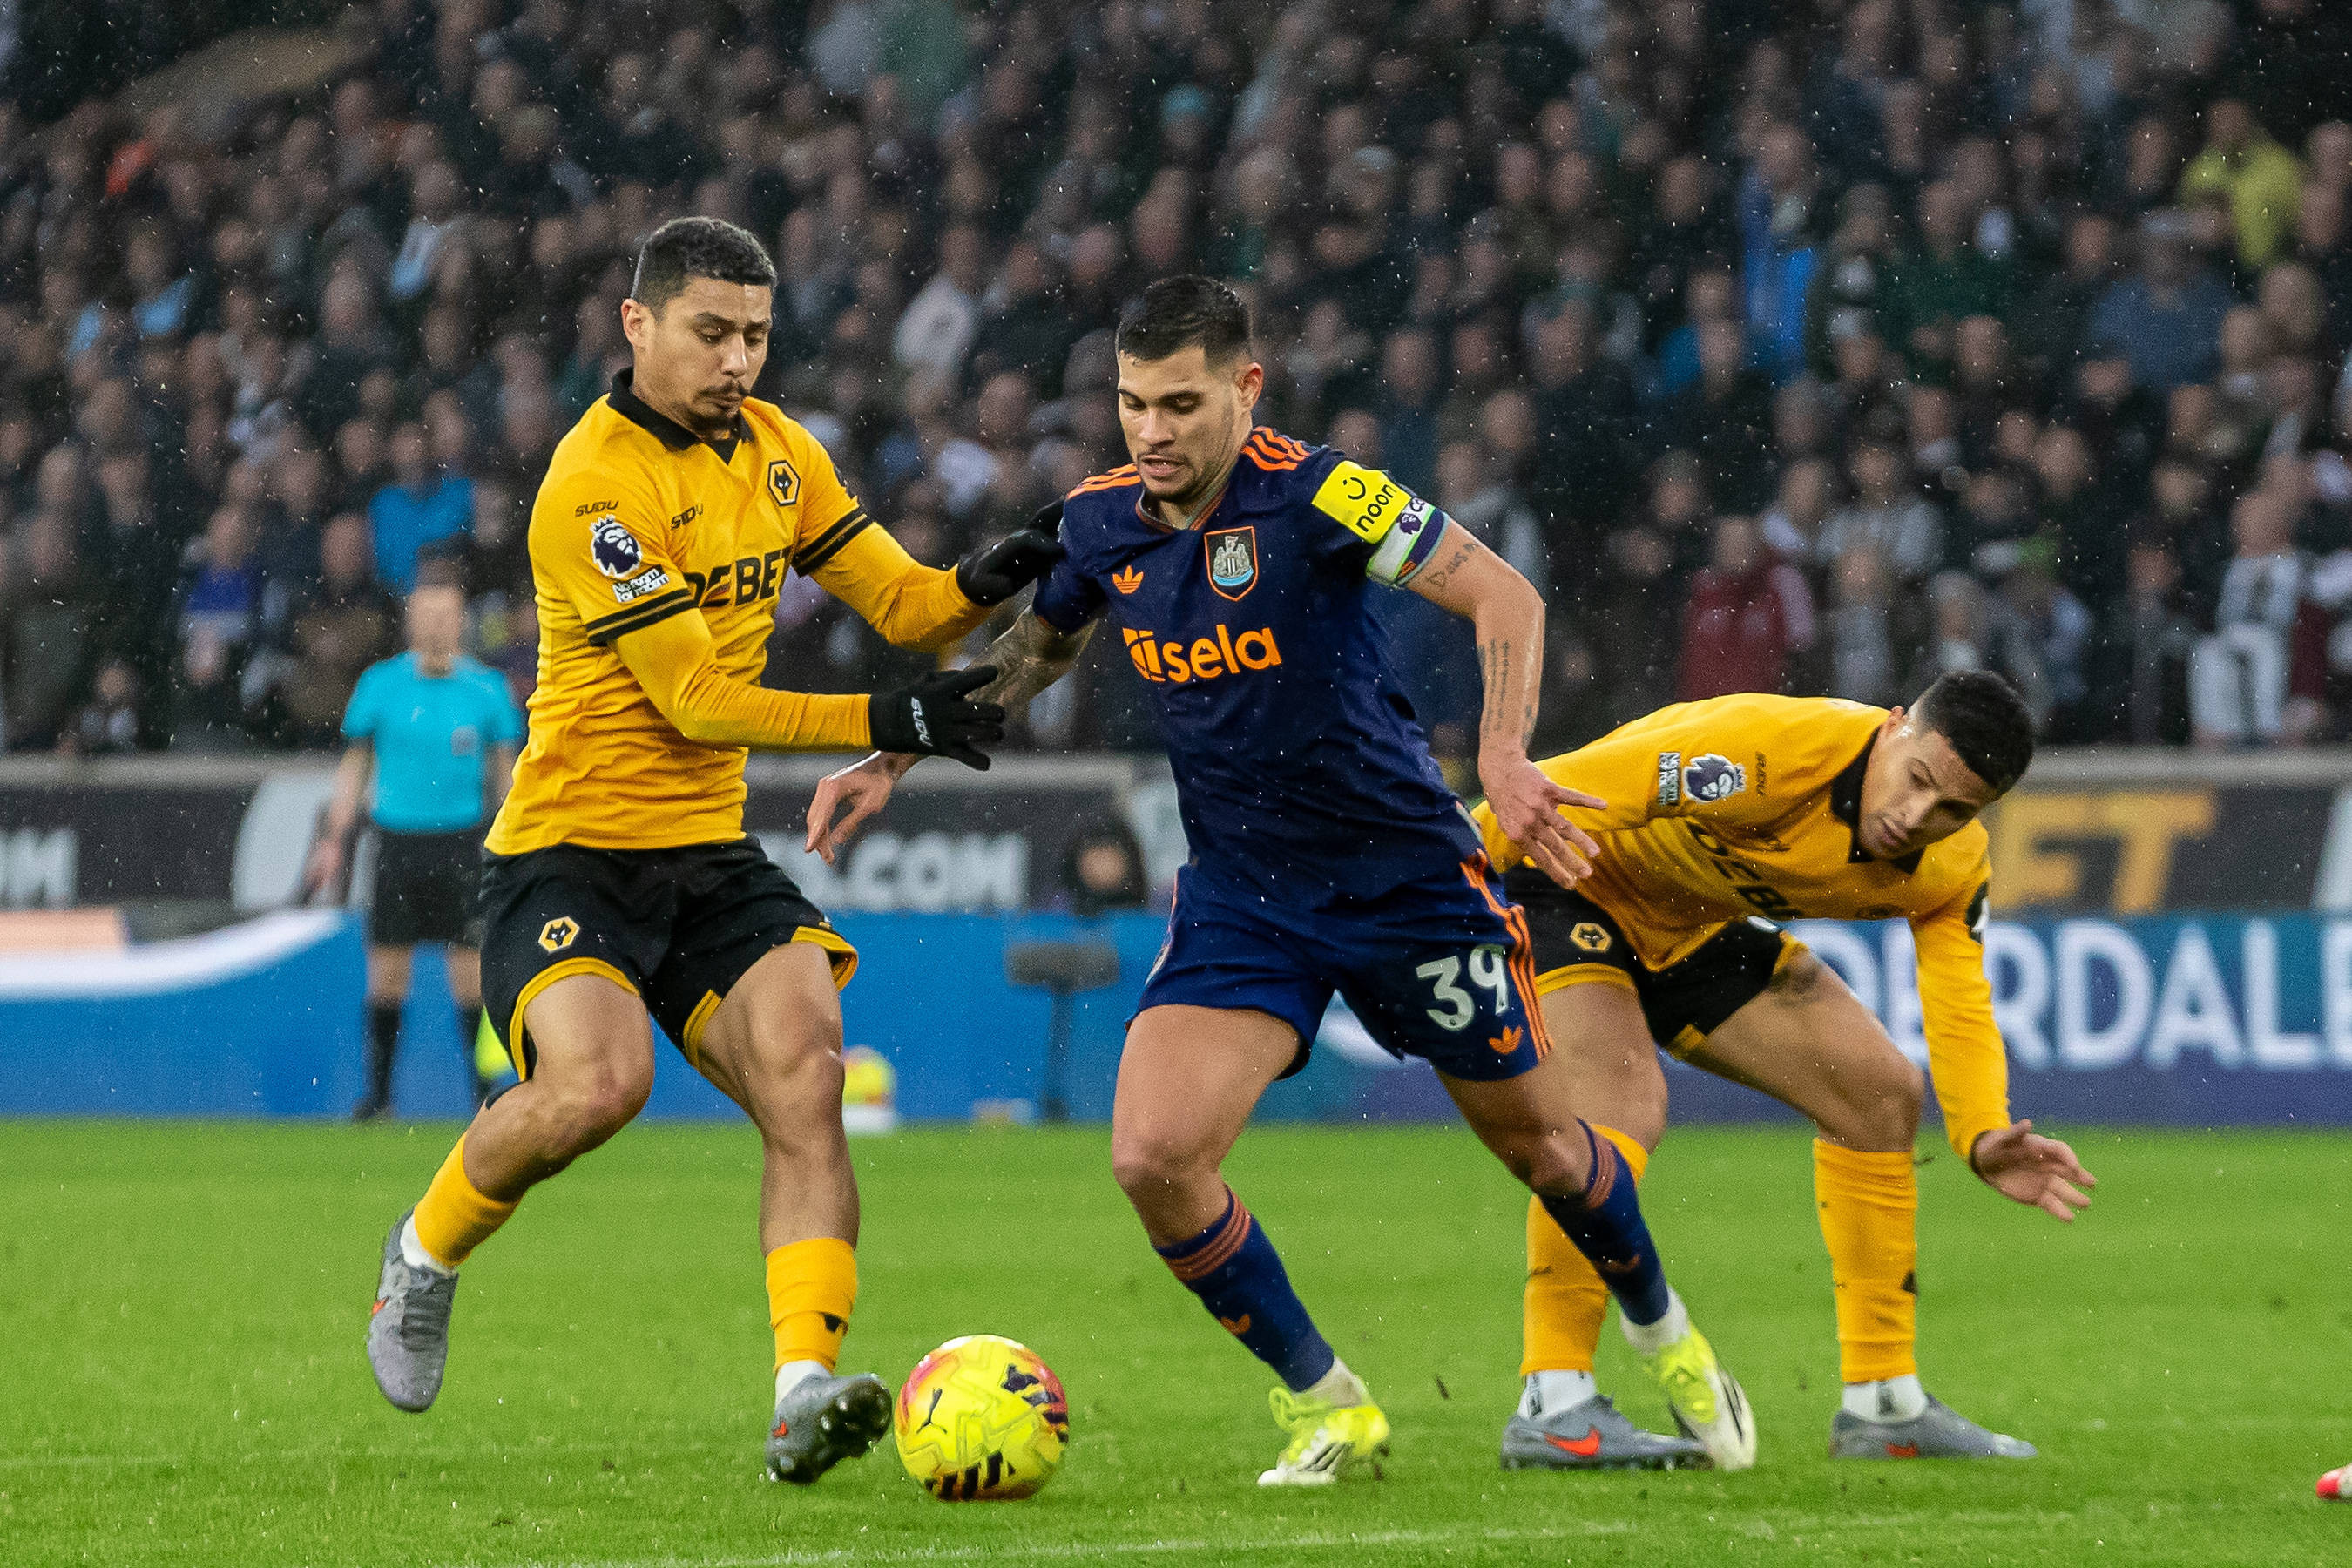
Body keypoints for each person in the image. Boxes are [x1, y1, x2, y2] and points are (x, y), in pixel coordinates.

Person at [808, 277, 1753, 1484]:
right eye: (1132, 403)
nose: (1152, 430)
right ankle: (1329, 1402)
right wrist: (895, 757)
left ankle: (1664, 1331)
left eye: (1181, 404)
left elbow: (1501, 594)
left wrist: (1505, 757)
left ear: (1246, 391)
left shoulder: (1324, 492)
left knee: (1549, 1151)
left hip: (1411, 882)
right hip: (1246, 896)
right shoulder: (1100, 524)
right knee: (1152, 1156)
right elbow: (1028, 656)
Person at [360, 217, 1062, 1485]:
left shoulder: (780, 454)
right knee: (595, 1089)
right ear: (638, 326)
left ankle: (802, 1391)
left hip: (705, 853)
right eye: (711, 333)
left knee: (809, 1072)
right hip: (568, 850)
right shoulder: (595, 485)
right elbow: (695, 699)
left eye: (754, 335)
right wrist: (888, 717)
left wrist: (981, 578)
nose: (738, 360)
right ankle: (423, 1253)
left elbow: (902, 601)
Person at [1471, 674, 2095, 1469]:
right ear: (1893, 726)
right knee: (1620, 1110)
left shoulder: (1950, 866)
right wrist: (1427, 885)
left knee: (1878, 1095)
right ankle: (1554, 1403)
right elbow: (1576, 786)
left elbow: (1960, 992)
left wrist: (1980, 1133)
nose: (1917, 819)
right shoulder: (1768, 749)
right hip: (1564, 881)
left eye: (1953, 810)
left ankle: (1884, 1403)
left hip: (1691, 923)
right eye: (1918, 781)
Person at [305, 558, 525, 1119]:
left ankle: (486, 1098)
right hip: (397, 844)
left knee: (471, 979)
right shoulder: (381, 684)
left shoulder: (487, 689)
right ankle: (379, 1099)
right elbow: (354, 769)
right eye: (424, 615)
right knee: (386, 975)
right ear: (409, 621)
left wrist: (517, 839)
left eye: (445, 615)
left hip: (462, 844)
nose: (434, 625)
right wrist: (334, 838)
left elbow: (506, 775)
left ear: (461, 622)